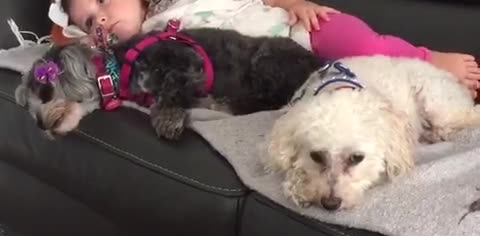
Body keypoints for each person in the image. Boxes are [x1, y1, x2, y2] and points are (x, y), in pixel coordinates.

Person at [56, 0, 480, 94]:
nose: (103, 18)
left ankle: (429, 60)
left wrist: (295, 3)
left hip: (295, 29)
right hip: (271, 70)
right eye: (91, 21)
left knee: (360, 44)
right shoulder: (147, 44)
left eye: (104, 1)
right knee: (361, 89)